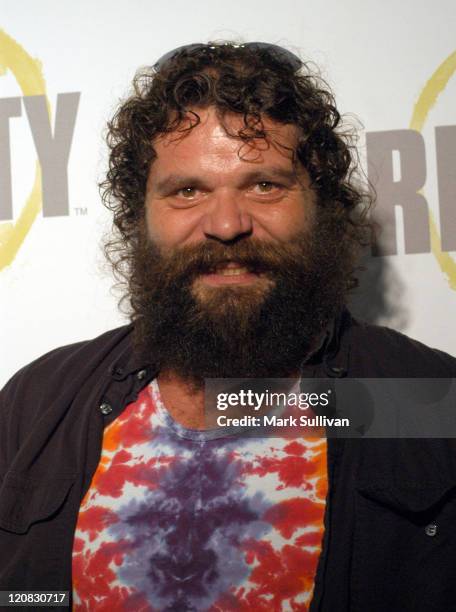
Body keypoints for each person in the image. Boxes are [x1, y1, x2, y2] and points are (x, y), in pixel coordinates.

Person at [1, 42, 455, 612]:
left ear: (321, 204)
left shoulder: (427, 402)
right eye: (187, 191)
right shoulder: (39, 401)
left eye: (264, 185)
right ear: (140, 215)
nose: (226, 225)